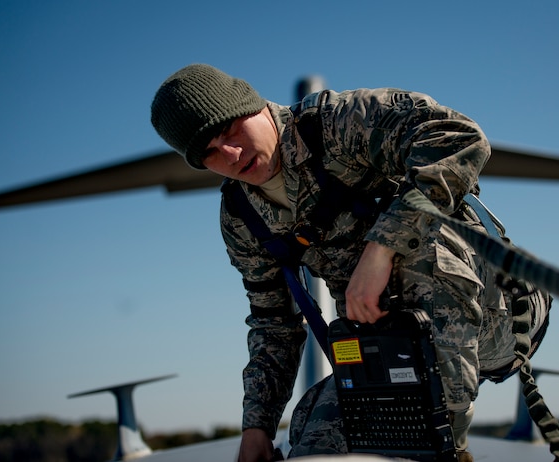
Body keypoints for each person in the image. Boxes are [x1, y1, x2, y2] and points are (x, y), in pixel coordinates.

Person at [150, 64, 538, 462]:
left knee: (422, 252)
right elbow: (274, 324)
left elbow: (458, 138)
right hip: (392, 350)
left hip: (497, 313)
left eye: (230, 130)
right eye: (209, 153)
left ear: (253, 106)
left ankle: (445, 449)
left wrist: (381, 249)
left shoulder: (339, 123)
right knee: (316, 442)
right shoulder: (240, 214)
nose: (230, 154)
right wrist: (257, 426)